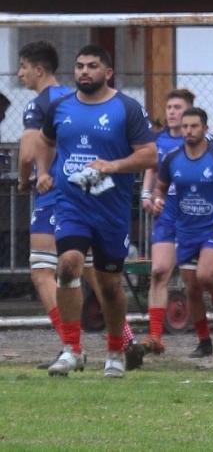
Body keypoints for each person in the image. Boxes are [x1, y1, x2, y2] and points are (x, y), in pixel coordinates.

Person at [35, 44, 157, 377]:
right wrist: (43, 172)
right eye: (79, 66)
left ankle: (115, 351)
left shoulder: (127, 108)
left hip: (111, 210)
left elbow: (149, 155)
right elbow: (44, 142)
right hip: (71, 204)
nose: (84, 72)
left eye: (92, 66)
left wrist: (113, 165)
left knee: (109, 286)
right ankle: (71, 349)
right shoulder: (60, 107)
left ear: (108, 72)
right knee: (68, 265)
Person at [152, 107, 213, 358]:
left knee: (205, 275)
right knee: (192, 290)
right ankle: (204, 341)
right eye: (185, 126)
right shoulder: (172, 158)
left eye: (194, 126)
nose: (188, 131)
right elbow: (160, 187)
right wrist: (157, 199)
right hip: (186, 230)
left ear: (205, 129)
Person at [17, 41, 74, 362]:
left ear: (39, 70)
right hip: (84, 191)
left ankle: (70, 347)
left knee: (42, 271)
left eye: (23, 67)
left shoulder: (38, 104)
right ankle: (124, 340)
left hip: (52, 193)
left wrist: (24, 179)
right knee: (92, 272)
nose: (19, 73)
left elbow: (28, 153)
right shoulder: (75, 96)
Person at [138, 88, 196, 355]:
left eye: (178, 107)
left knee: (201, 277)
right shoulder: (158, 140)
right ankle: (155, 337)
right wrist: (147, 194)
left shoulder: (203, 142)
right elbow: (152, 168)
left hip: (196, 215)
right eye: (169, 107)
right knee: (159, 271)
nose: (172, 112)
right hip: (168, 213)